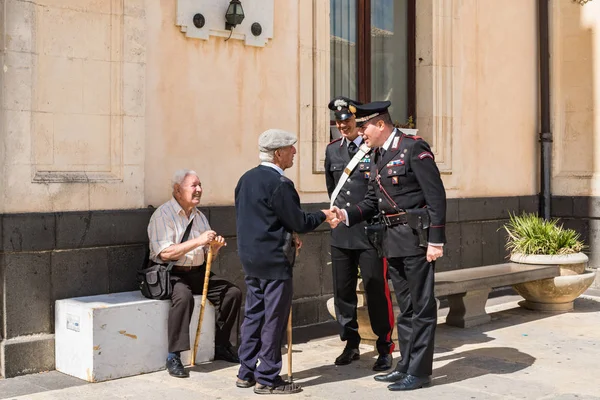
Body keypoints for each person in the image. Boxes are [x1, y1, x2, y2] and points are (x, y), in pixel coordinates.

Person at [332, 101, 446, 391]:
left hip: (416, 240)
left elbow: (436, 197)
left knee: (421, 307)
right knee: (405, 307)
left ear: (380, 124)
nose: (361, 133)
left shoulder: (413, 148)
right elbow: (372, 201)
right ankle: (406, 364)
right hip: (391, 240)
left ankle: (419, 373)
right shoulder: (378, 155)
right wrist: (346, 214)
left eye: (364, 126)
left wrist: (436, 240)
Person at [235, 129, 337, 395]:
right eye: (291, 148)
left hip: (251, 258)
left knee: (253, 315)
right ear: (278, 153)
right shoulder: (280, 184)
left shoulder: (246, 179)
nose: (294, 152)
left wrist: (289, 233)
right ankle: (267, 377)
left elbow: (263, 218)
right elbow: (299, 220)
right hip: (274, 260)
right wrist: (323, 215)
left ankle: (246, 372)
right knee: (274, 319)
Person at [147, 169, 242, 378]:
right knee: (183, 297)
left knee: (232, 293)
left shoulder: (199, 217)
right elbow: (165, 253)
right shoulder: (163, 215)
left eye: (200, 185)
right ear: (177, 190)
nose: (199, 190)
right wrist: (199, 241)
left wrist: (213, 249)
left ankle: (221, 345)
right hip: (171, 273)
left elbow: (207, 256)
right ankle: (174, 355)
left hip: (197, 272)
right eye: (194, 185)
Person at [325, 96, 395, 371]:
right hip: (342, 231)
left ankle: (384, 347)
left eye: (348, 121)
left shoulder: (372, 148)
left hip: (369, 232)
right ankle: (350, 342)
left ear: (358, 121)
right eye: (339, 122)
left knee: (376, 290)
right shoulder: (332, 151)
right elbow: (334, 190)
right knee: (343, 291)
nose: (343, 126)